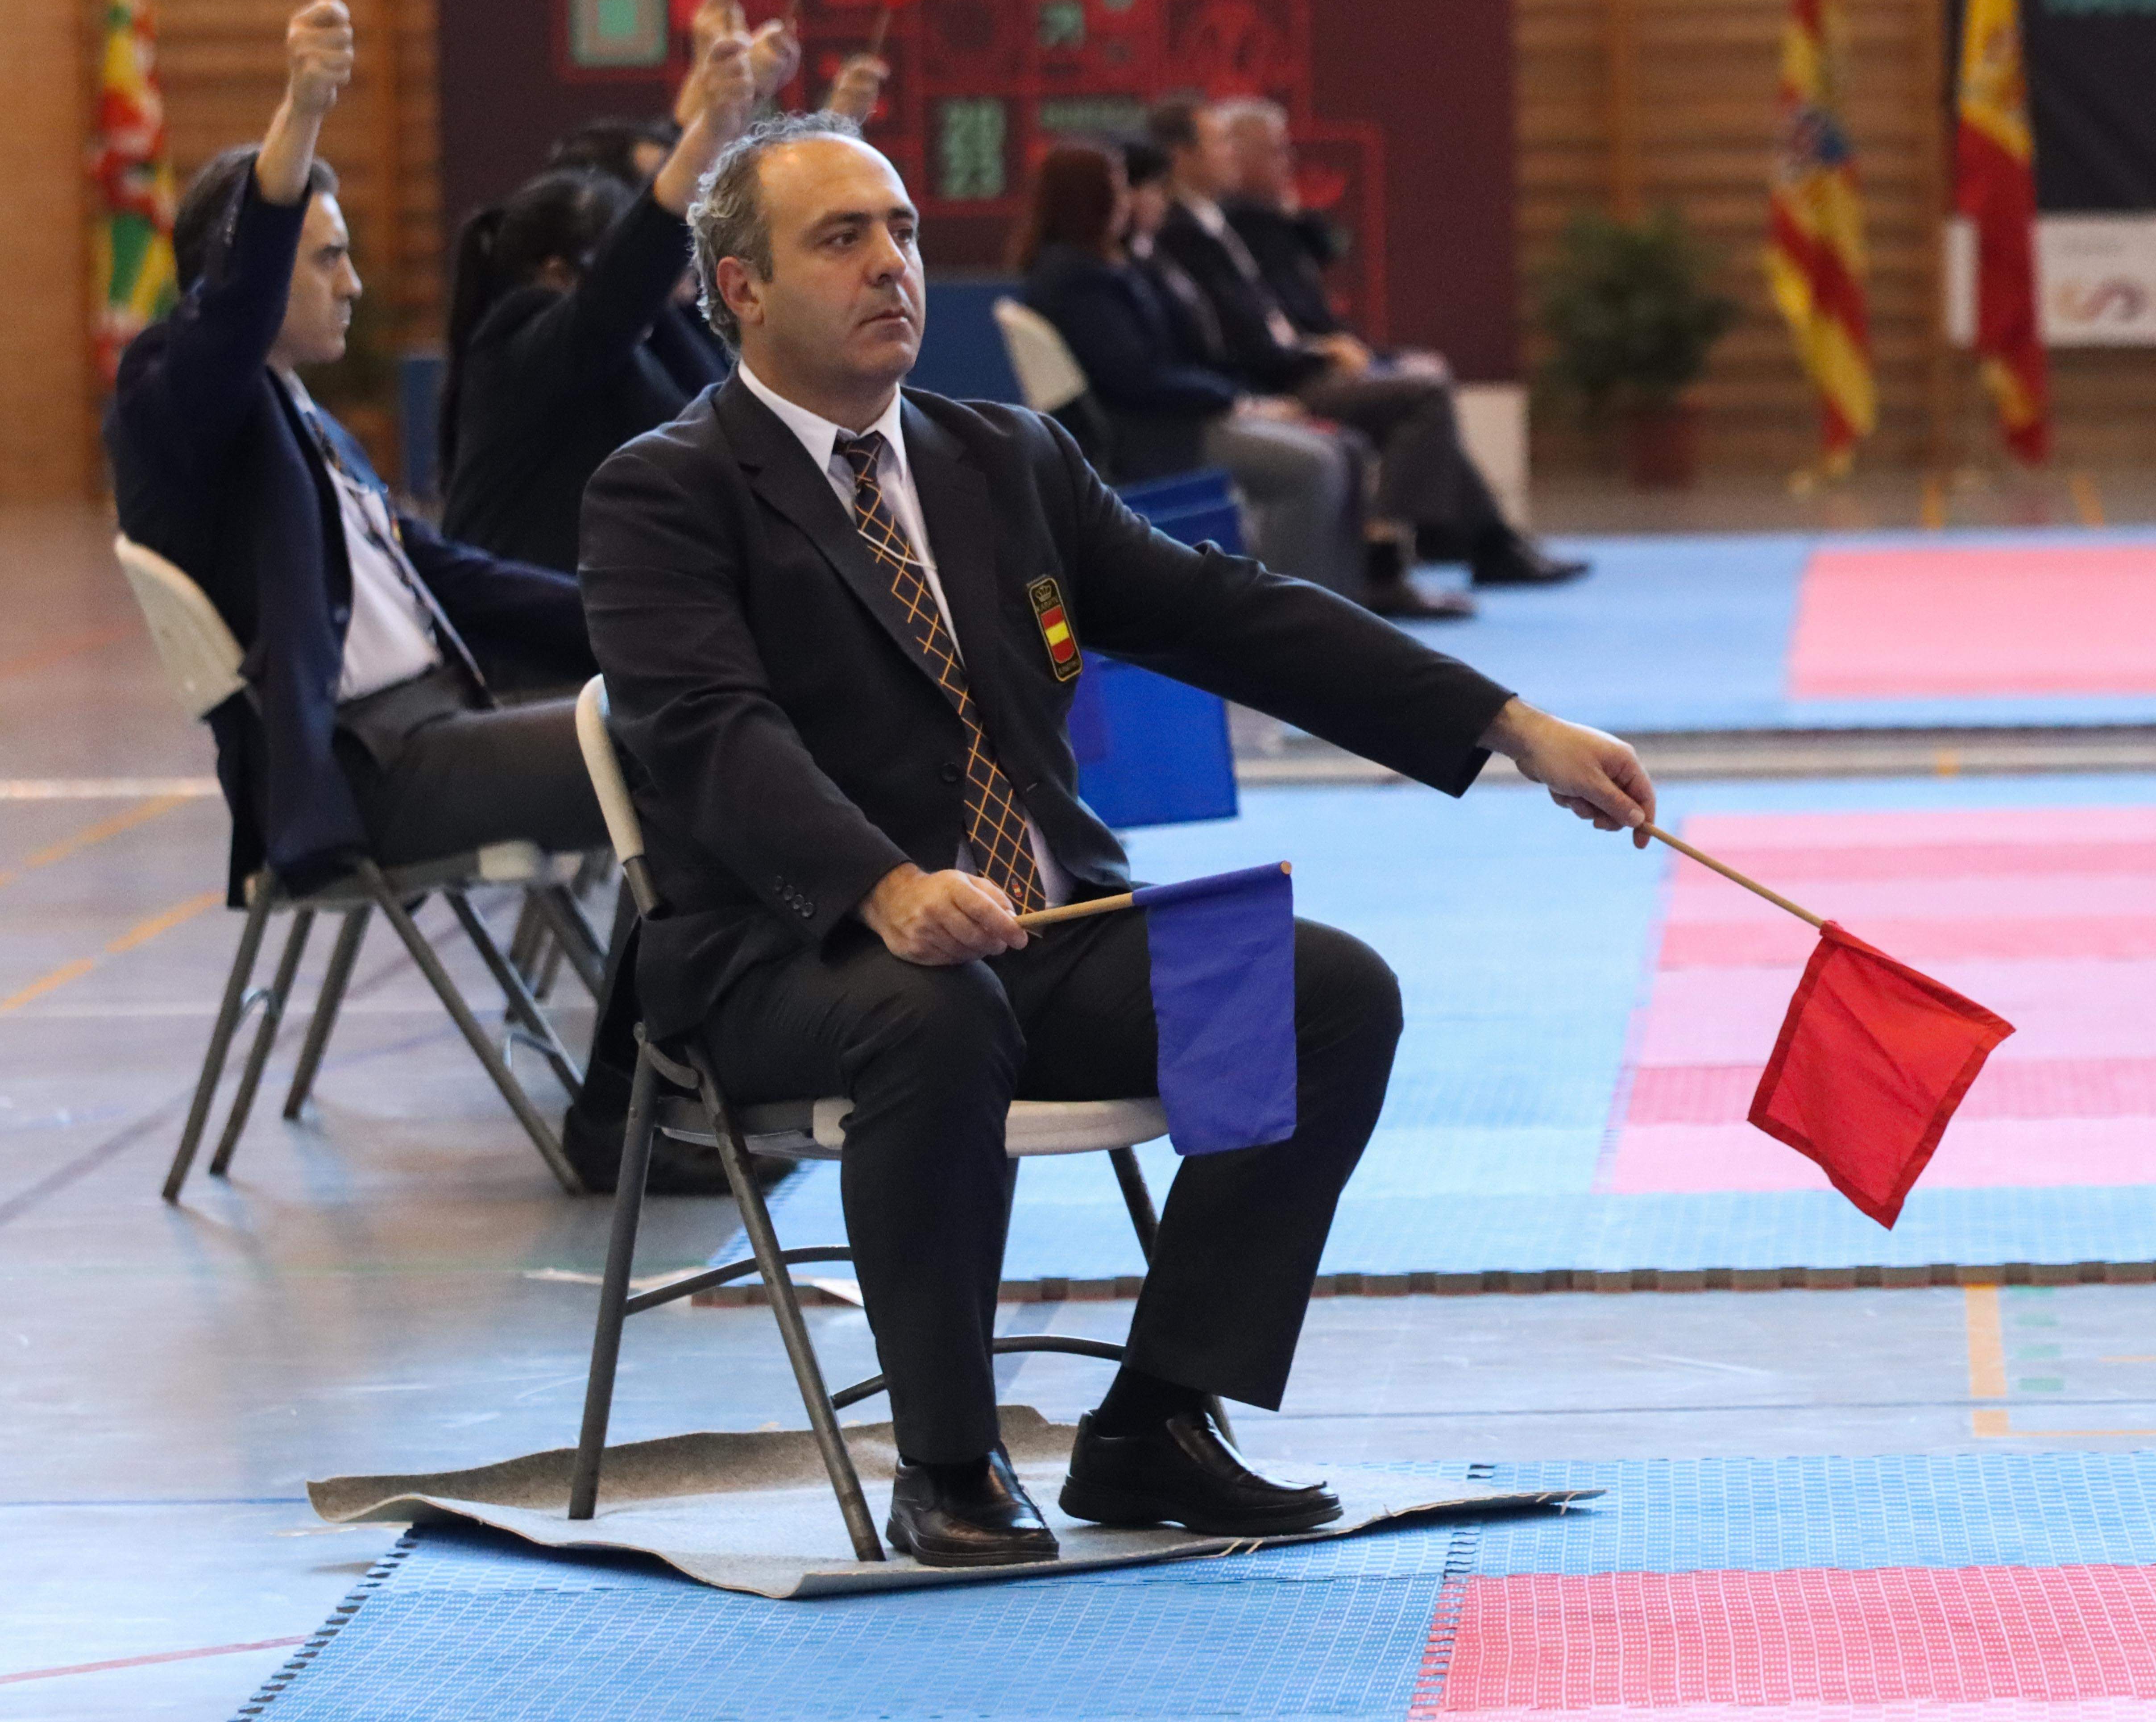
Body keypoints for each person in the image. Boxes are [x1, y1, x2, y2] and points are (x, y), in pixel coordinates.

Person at [577, 114, 1658, 1566]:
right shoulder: (664, 489)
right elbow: (712, 736)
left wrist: (1511, 724)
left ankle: (1151, 1421)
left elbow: (1233, 613)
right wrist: (884, 884)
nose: (890, 262)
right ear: (740, 289)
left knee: (1323, 992)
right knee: (932, 1011)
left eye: (899, 229)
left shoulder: (1000, 458)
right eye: (841, 237)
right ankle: (947, 1460)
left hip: (1041, 926)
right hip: (793, 952)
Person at [104, 0, 605, 922]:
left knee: (704, 710)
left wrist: (636, 616)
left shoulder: (305, 422)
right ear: (243, 269)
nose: (356, 284)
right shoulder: (173, 399)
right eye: (329, 258)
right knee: (690, 746)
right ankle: (681, 1051)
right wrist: (300, 109)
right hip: (373, 772)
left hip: (442, 727)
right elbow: (234, 305)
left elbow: (451, 573)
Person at [1144, 99, 1588, 588]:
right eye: (1221, 144)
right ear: (1183, 155)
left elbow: (1286, 300)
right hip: (1276, 380)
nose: (1231, 155)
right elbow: (1242, 340)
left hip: (1293, 365)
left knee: (1420, 390)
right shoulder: (1187, 231)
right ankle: (1391, 551)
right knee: (1422, 396)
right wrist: (1307, 360)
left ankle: (1478, 542)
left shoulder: (1216, 223)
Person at [1017, 143, 1461, 618]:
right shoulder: (1075, 279)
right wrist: (1239, 402)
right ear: (1089, 198)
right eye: (1120, 190)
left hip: (1182, 416)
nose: (1129, 201)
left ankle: (1345, 613)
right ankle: (1288, 621)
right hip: (1156, 434)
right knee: (1313, 466)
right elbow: (1137, 380)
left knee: (1344, 449)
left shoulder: (1114, 266)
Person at [438, 29, 757, 572]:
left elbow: (726, 404)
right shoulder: (518, 337)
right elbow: (623, 287)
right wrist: (711, 130)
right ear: (558, 273)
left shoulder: (644, 339)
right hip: (531, 649)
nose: (683, 259)